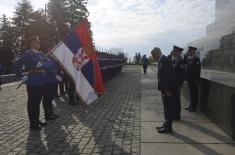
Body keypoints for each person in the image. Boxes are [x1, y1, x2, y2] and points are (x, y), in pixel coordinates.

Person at [14, 36, 47, 130]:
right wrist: (21, 76)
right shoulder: (27, 54)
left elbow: (44, 64)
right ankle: (33, 123)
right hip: (32, 82)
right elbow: (16, 65)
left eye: (38, 41)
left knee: (37, 102)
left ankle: (36, 119)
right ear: (32, 43)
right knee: (32, 102)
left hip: (41, 81)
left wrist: (44, 63)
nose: (38, 43)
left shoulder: (40, 54)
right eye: (36, 42)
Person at [151, 47, 177, 133]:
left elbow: (170, 76)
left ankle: (168, 127)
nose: (154, 57)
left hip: (167, 90)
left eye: (154, 55)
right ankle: (166, 124)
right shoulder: (161, 60)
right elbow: (161, 76)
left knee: (168, 108)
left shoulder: (165, 60)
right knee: (166, 107)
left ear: (158, 53)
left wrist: (168, 90)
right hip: (164, 89)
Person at [42, 42, 62, 120]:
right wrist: (55, 75)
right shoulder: (46, 57)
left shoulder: (54, 57)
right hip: (48, 81)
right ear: (49, 49)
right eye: (53, 48)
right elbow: (48, 67)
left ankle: (51, 112)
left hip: (54, 81)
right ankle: (47, 114)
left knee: (51, 98)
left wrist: (60, 73)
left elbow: (57, 68)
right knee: (47, 98)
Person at [170, 46, 185, 120]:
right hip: (172, 84)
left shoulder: (181, 61)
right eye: (173, 50)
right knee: (173, 99)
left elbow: (182, 75)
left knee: (176, 100)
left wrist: (180, 85)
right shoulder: (173, 60)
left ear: (179, 52)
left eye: (175, 51)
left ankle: (177, 115)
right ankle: (174, 113)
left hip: (177, 84)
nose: (173, 52)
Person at [185, 46, 201, 112]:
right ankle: (191, 105)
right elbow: (188, 69)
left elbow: (197, 70)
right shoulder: (189, 59)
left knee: (194, 93)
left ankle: (194, 107)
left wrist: (196, 79)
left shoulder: (196, 59)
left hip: (194, 80)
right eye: (188, 51)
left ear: (194, 51)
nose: (188, 52)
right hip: (190, 79)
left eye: (190, 51)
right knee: (191, 93)